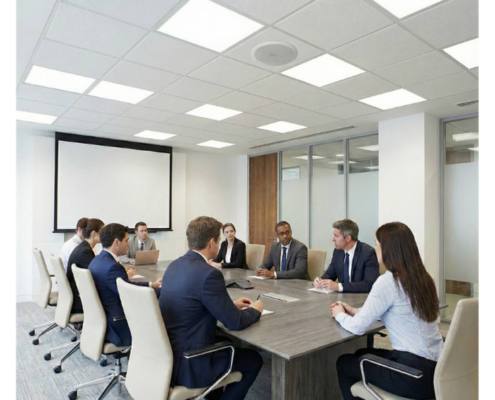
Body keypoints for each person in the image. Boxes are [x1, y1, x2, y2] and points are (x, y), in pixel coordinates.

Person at [330, 222, 443, 400]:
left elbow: (358, 327)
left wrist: (340, 315)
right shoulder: (422, 277)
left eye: (377, 245)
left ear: (388, 249)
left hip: (412, 375)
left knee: (344, 362)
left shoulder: (388, 281)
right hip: (438, 369)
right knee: (361, 354)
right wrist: (356, 311)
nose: (375, 250)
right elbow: (400, 312)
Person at [159, 216, 263, 400]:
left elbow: (192, 302)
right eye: (219, 240)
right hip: (192, 361)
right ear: (211, 242)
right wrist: (255, 310)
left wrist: (229, 305)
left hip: (170, 355)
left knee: (226, 341)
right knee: (254, 360)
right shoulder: (209, 274)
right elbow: (235, 322)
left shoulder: (174, 265)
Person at [89, 223, 162, 347]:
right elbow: (131, 294)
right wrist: (163, 291)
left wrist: (151, 284)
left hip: (105, 319)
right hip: (120, 325)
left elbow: (126, 285)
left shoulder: (97, 260)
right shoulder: (113, 267)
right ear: (117, 242)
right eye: (126, 240)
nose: (128, 244)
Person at [314, 219, 379, 293]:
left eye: (336, 236)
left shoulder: (368, 253)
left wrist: (338, 286)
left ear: (348, 238)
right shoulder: (338, 251)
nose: (333, 239)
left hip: (361, 297)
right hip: (342, 297)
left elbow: (369, 284)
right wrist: (320, 281)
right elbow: (330, 274)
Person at [66, 218, 105, 314]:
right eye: (102, 232)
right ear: (94, 233)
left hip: (76, 295)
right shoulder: (85, 251)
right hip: (79, 301)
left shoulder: (84, 247)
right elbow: (96, 276)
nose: (105, 235)